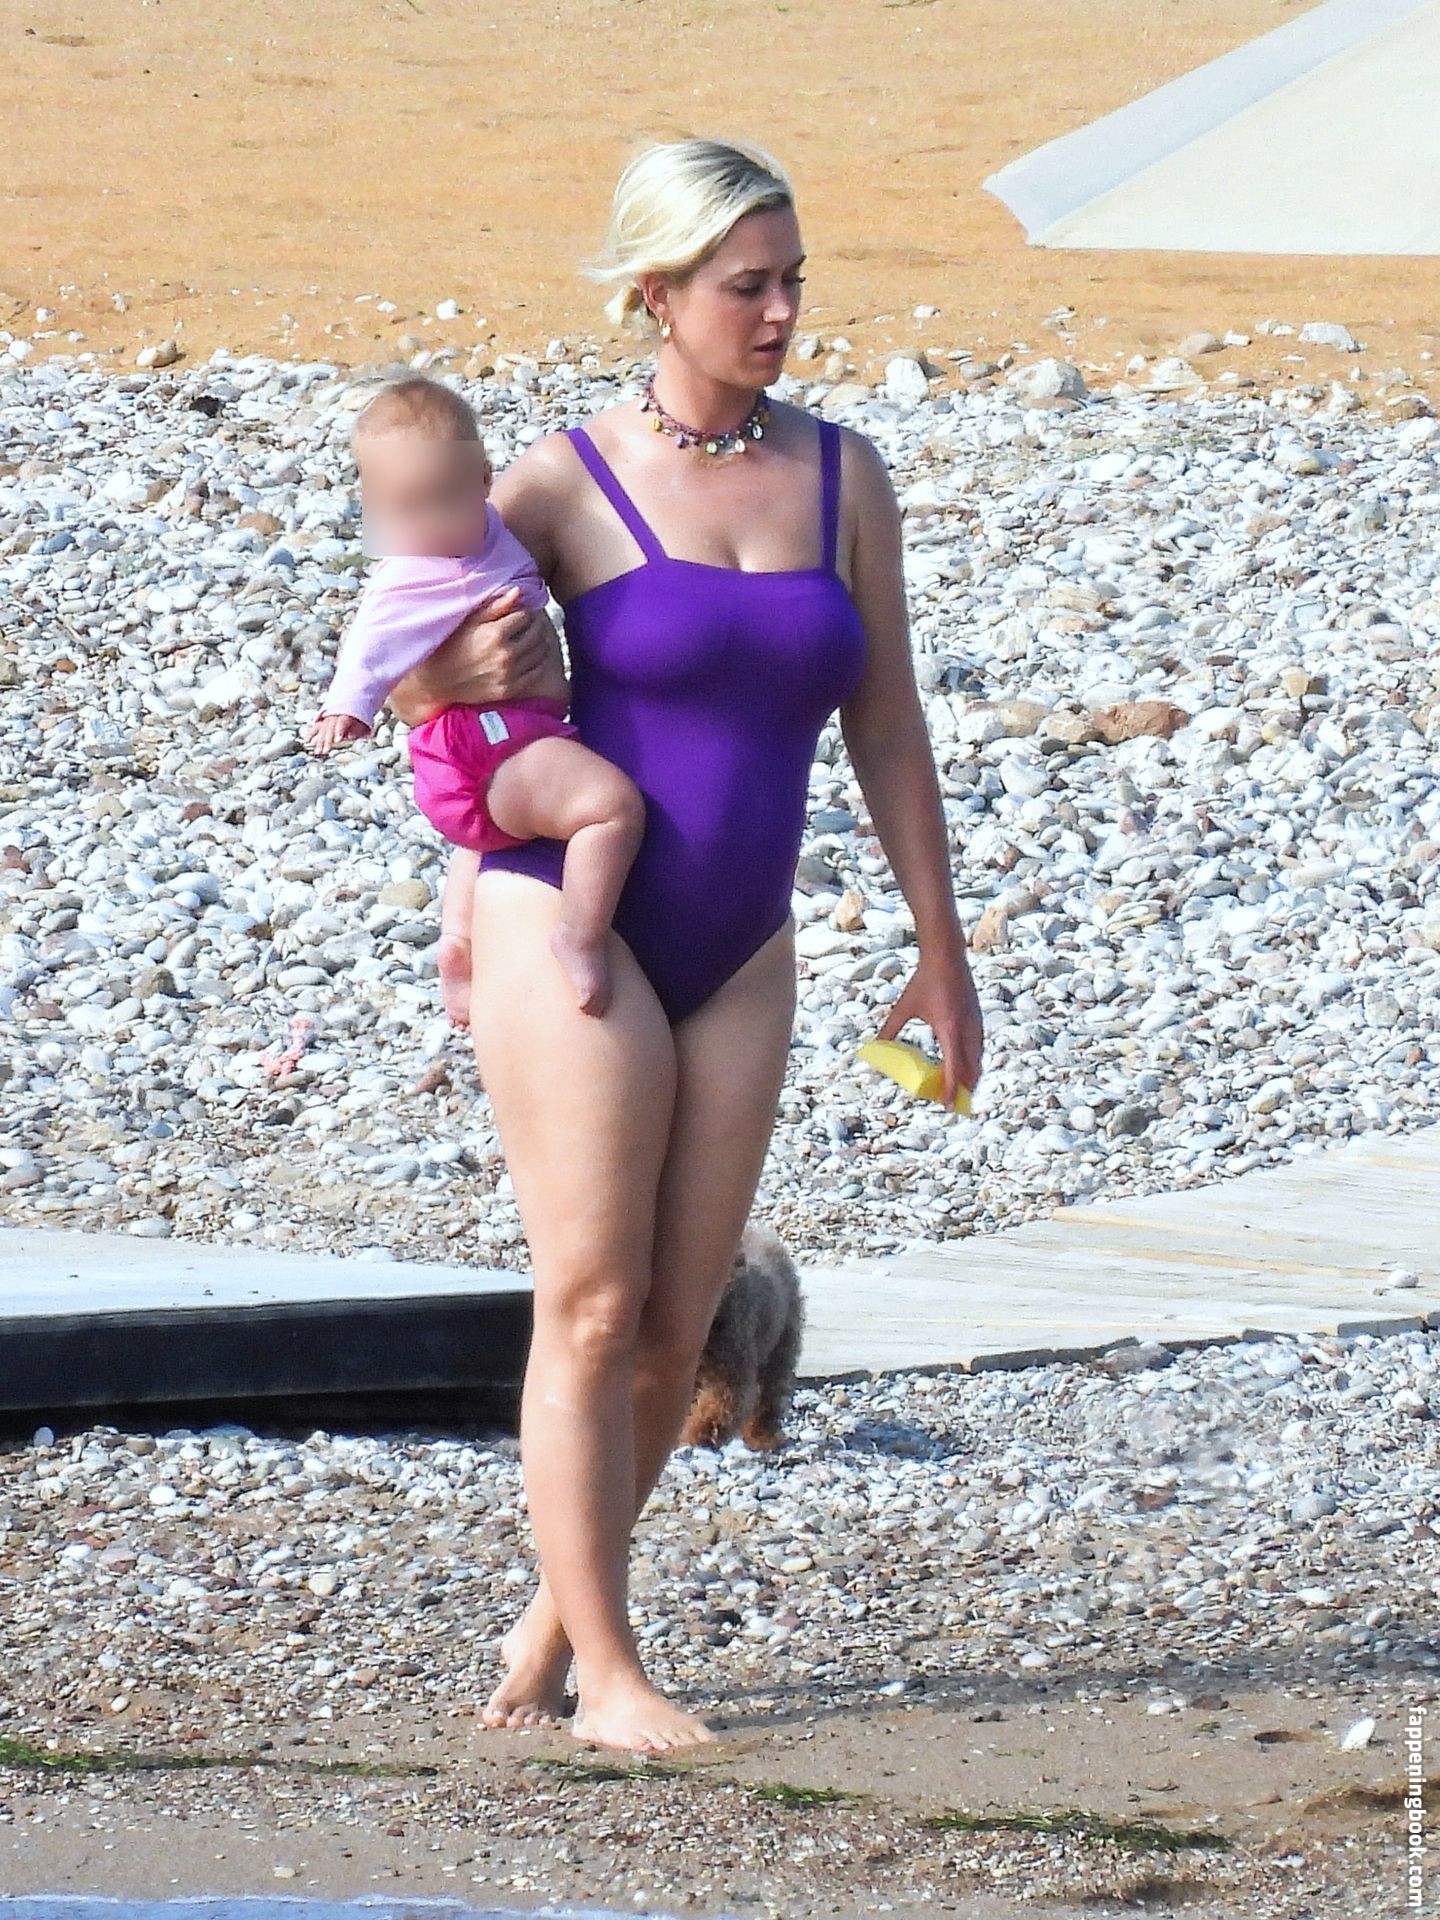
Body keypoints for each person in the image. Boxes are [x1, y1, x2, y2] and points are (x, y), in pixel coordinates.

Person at [384, 135, 984, 1755]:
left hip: (741, 941)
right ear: (657, 292)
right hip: (572, 921)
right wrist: (452, 733)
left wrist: (940, 948)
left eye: (793, 281)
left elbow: (888, 723)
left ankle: (547, 1630)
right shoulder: (557, 484)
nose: (781, 312)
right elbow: (413, 661)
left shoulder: (846, 477)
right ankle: (613, 1672)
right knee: (591, 1300)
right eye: (747, 285)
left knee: (678, 1321)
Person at [304, 377, 645, 1017]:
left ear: (485, 481)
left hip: (489, 751)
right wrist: (349, 706)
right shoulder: (418, 572)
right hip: (486, 749)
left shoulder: (492, 535)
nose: (430, 525)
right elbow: (372, 639)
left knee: (489, 841)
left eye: (445, 499)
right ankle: (579, 936)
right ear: (374, 507)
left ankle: (458, 943)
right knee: (609, 808)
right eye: (407, 509)